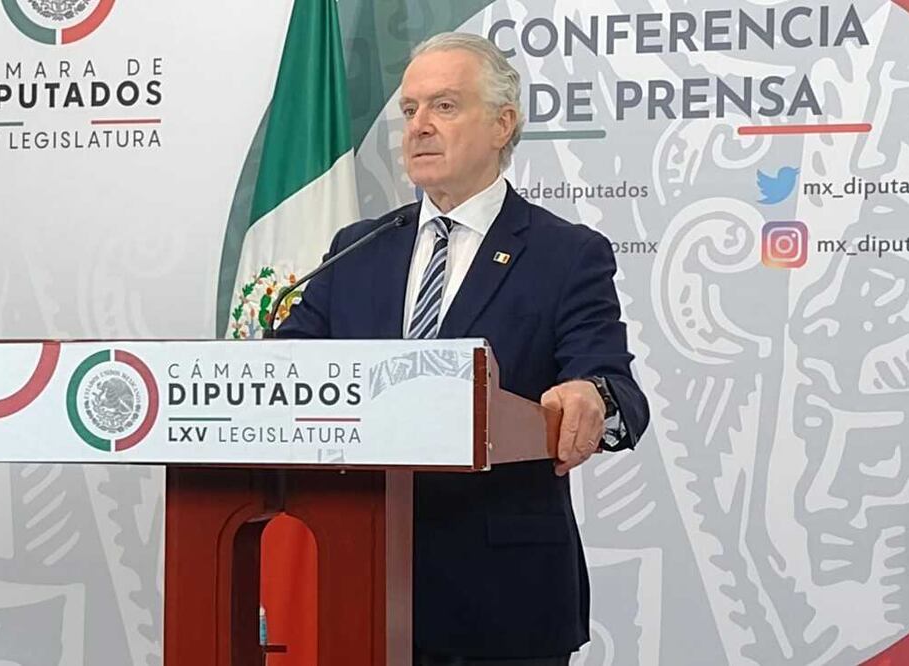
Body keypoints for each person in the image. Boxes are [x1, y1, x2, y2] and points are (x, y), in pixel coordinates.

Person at [274, 31, 649, 665]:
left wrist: (590, 395)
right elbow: (289, 369)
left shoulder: (566, 254)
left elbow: (611, 383)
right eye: (410, 110)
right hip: (357, 582)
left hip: (502, 599)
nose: (418, 126)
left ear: (503, 124)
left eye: (444, 106)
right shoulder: (358, 248)